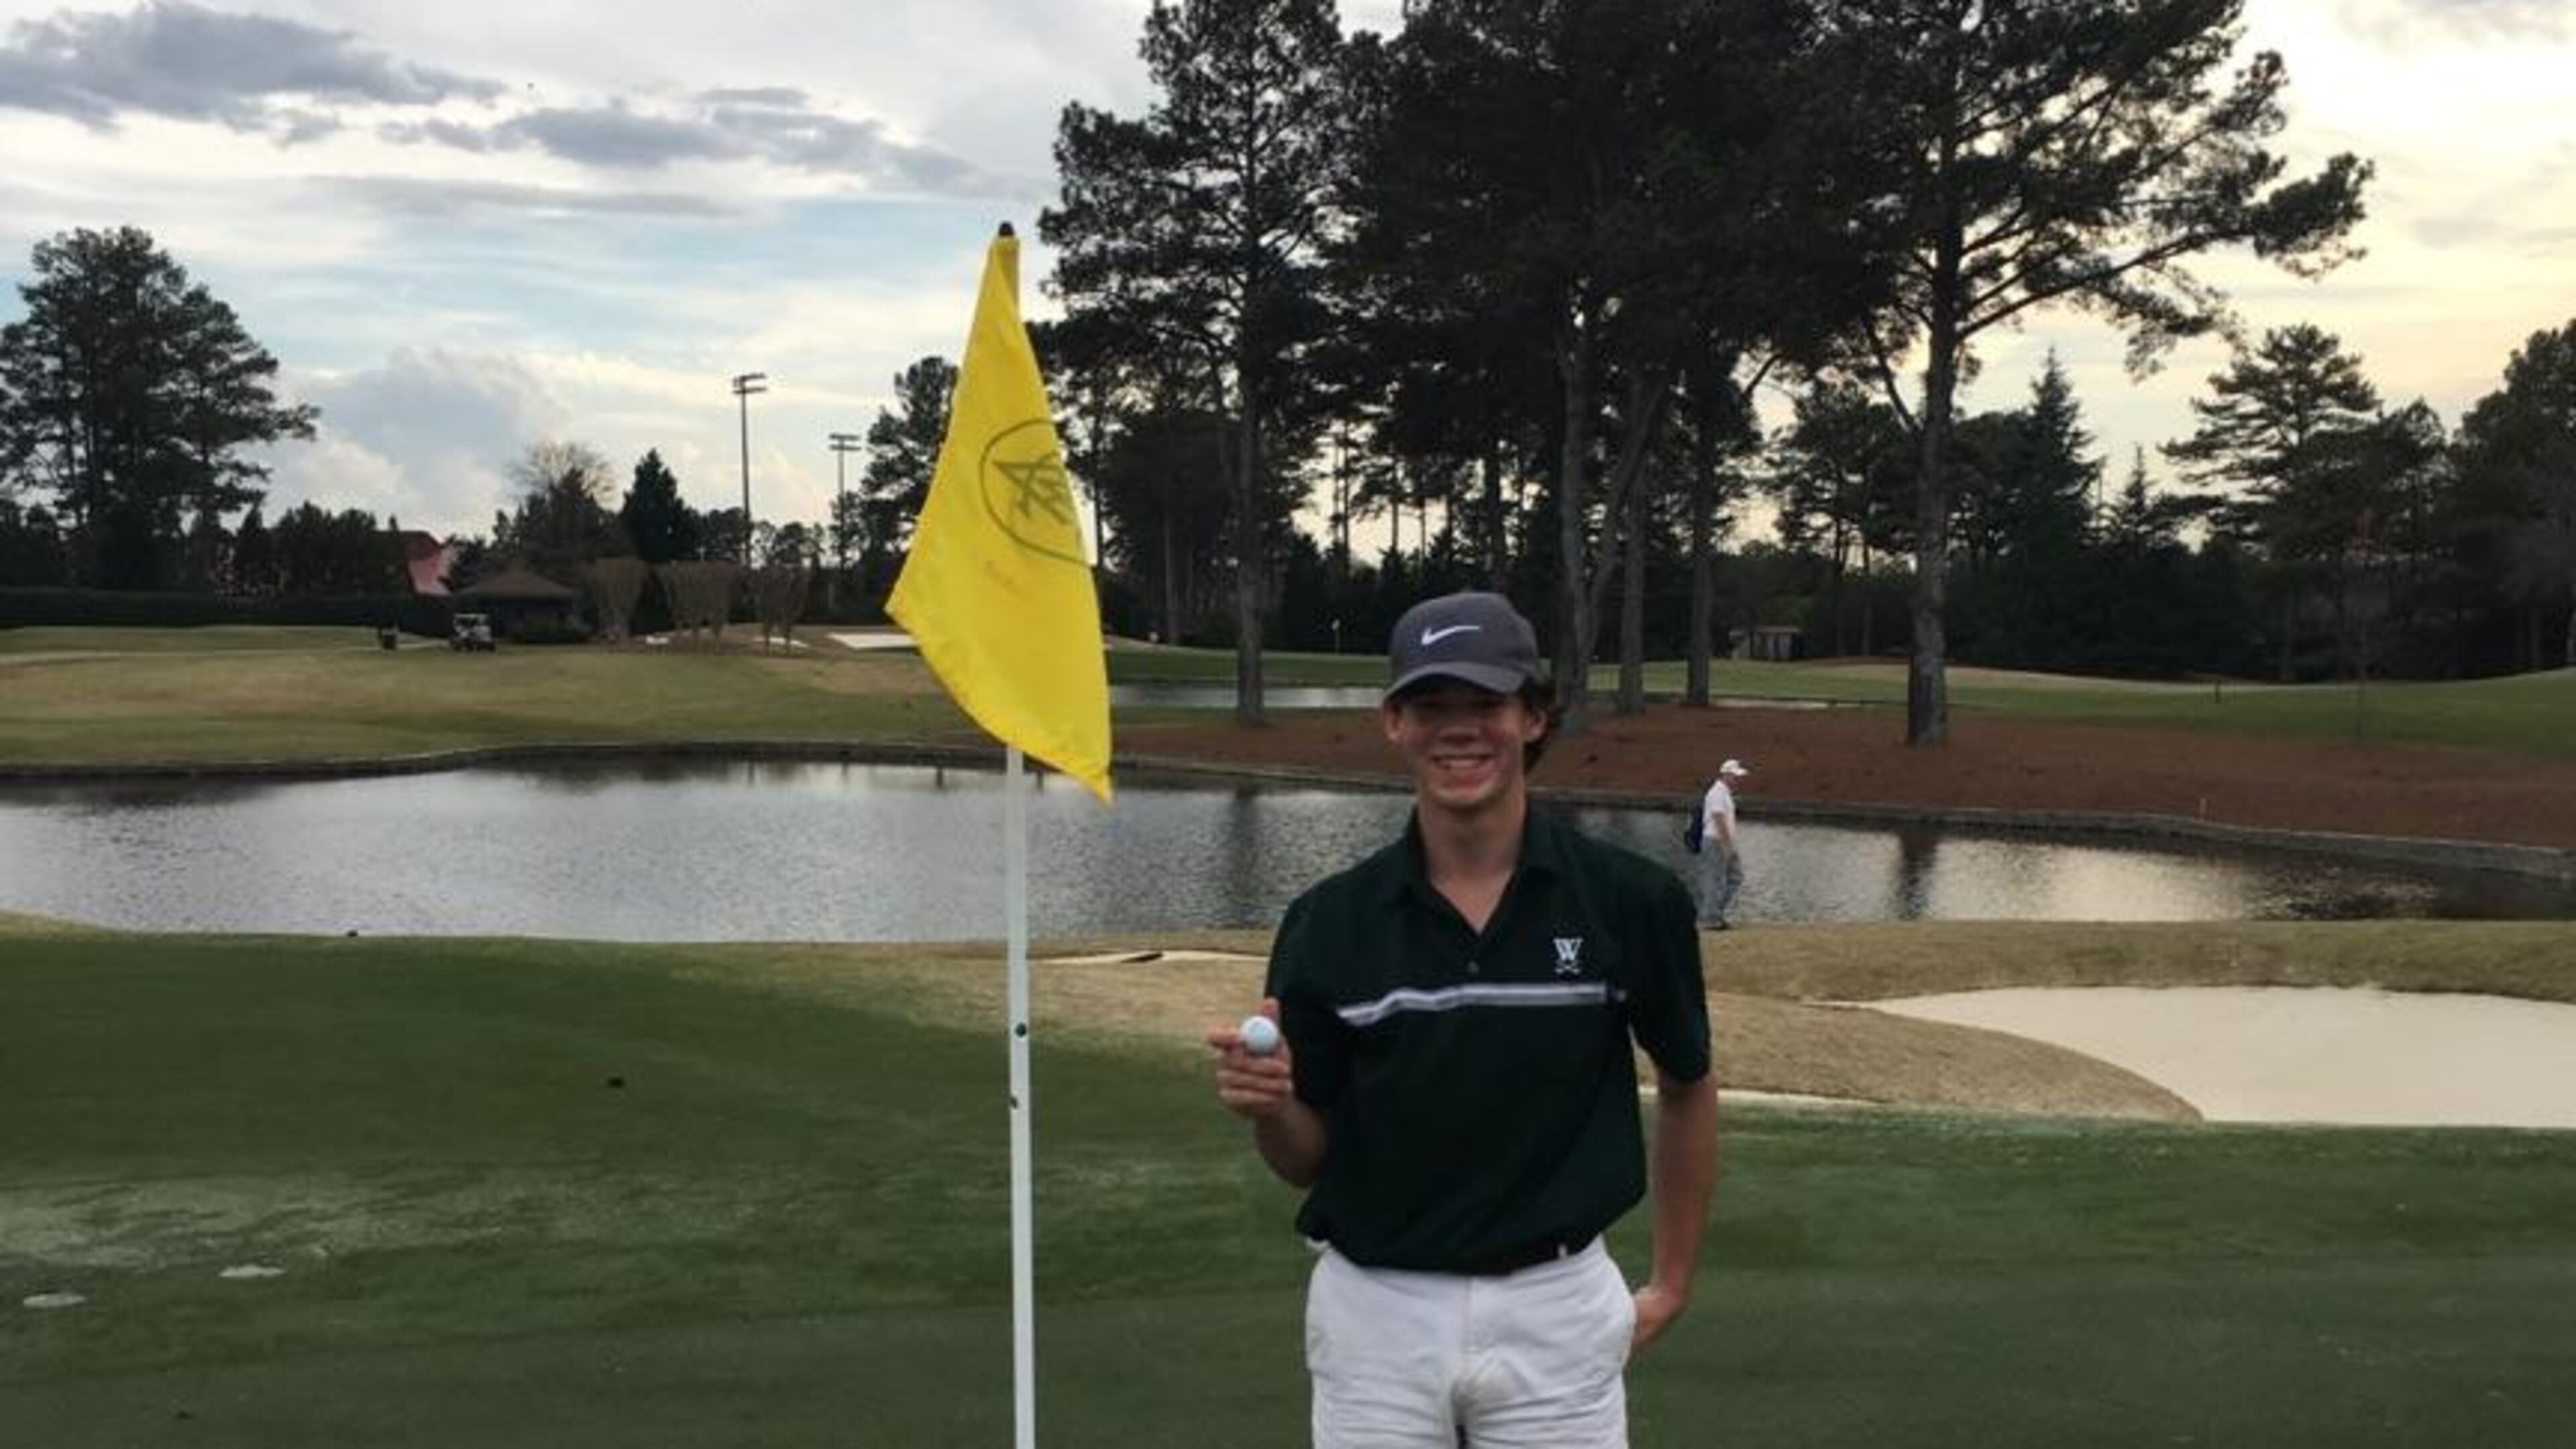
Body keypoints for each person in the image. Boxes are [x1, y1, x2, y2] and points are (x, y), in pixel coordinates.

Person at [1209, 590, 1719, 1449]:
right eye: (1432, 706)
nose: (1460, 730)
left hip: (1557, 1309)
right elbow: (1306, 1159)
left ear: (1532, 716)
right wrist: (1271, 1107)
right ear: (1394, 724)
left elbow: (1687, 1083)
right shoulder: (1330, 921)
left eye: (1484, 703)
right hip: (1377, 1317)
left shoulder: (1630, 902)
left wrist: (1671, 1282)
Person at [1696, 759, 1749, 930]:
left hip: (1724, 841)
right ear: (1726, 774)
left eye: (1738, 776)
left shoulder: (1725, 792)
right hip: (1716, 841)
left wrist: (1730, 844)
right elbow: (1719, 819)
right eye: (1735, 775)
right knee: (1715, 880)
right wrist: (1727, 845)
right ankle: (1710, 920)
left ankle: (1713, 914)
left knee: (1736, 877)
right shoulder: (1717, 792)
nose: (1738, 779)